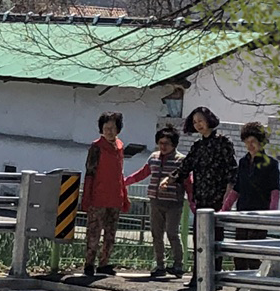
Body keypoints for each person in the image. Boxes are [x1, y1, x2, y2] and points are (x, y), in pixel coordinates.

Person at [126, 123, 189, 279]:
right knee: (156, 234)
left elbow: (188, 182)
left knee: (173, 233)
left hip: (174, 203)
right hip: (155, 201)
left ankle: (178, 264)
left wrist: (193, 201)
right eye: (160, 143)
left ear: (174, 144)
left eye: (166, 143)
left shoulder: (181, 161)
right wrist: (125, 182)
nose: (163, 146)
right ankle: (159, 264)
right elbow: (142, 174)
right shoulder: (153, 158)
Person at [79, 111, 130, 279]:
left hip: (115, 197)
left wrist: (124, 195)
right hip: (98, 197)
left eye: (112, 128)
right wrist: (86, 198)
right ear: (101, 129)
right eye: (106, 128)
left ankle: (104, 263)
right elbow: (90, 173)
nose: (109, 131)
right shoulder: (96, 147)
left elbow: (120, 174)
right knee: (94, 232)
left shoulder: (120, 146)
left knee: (110, 233)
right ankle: (89, 263)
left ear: (118, 129)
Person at [225, 120, 280, 268]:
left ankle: (254, 285)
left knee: (253, 253)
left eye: (253, 141)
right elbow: (237, 187)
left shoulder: (271, 164)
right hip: (242, 212)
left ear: (261, 143)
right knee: (239, 252)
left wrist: (271, 214)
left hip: (259, 213)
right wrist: (224, 209)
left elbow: (274, 190)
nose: (250, 145)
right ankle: (240, 285)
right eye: (247, 142)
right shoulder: (243, 162)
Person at [180, 107, 237, 225]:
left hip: (217, 199)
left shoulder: (223, 142)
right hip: (200, 200)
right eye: (195, 122)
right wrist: (168, 179)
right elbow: (185, 167)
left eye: (200, 120)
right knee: (199, 236)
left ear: (208, 120)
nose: (198, 124)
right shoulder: (197, 146)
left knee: (215, 237)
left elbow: (232, 170)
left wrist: (228, 194)